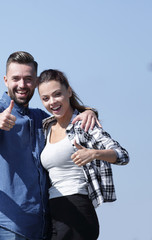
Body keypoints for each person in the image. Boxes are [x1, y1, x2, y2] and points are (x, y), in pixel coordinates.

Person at [0, 51, 99, 240]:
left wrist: (89, 111)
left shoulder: (41, 118)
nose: (22, 85)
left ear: (35, 82)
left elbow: (66, 114)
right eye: (16, 78)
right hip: (9, 224)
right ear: (5, 80)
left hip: (43, 227)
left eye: (28, 79)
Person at [38, 69, 129, 239]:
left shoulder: (83, 125)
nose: (52, 102)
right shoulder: (46, 127)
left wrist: (94, 153)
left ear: (69, 91)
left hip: (77, 208)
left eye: (57, 94)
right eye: (45, 98)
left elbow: (122, 155)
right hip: (53, 210)